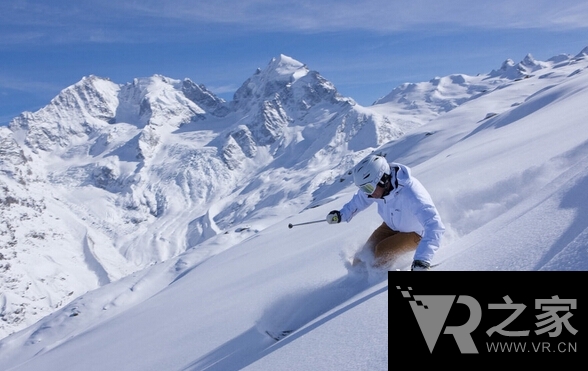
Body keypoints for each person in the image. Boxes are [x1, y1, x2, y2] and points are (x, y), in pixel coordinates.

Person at [326, 154, 444, 271]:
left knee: (382, 252)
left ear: (383, 179)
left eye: (367, 188)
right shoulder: (375, 188)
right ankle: (357, 284)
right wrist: (341, 214)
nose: (367, 193)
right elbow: (359, 200)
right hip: (392, 225)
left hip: (416, 232)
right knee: (361, 258)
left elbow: (434, 225)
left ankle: (376, 283)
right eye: (363, 189)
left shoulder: (411, 193)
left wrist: (422, 260)